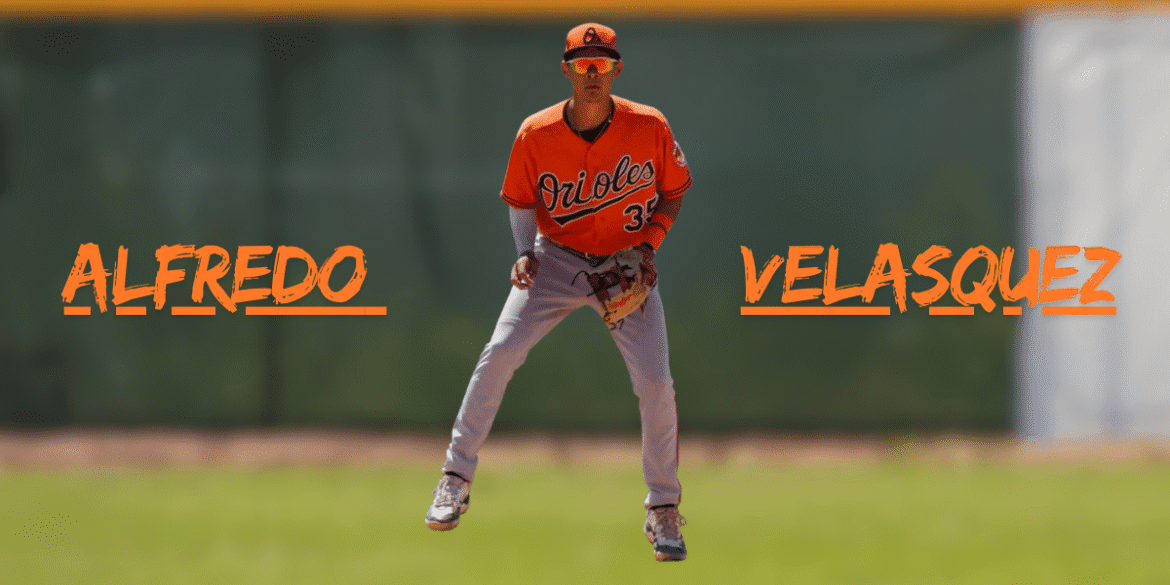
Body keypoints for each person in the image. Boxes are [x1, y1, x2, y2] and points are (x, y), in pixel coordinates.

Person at [425, 22, 693, 562]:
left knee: (656, 384)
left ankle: (663, 508)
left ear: (616, 69)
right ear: (566, 70)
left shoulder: (649, 126)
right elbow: (521, 200)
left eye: (601, 63)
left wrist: (649, 248)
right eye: (581, 64)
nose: (592, 73)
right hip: (558, 259)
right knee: (500, 352)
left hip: (626, 265)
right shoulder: (536, 133)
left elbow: (673, 190)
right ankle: (455, 476)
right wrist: (524, 252)